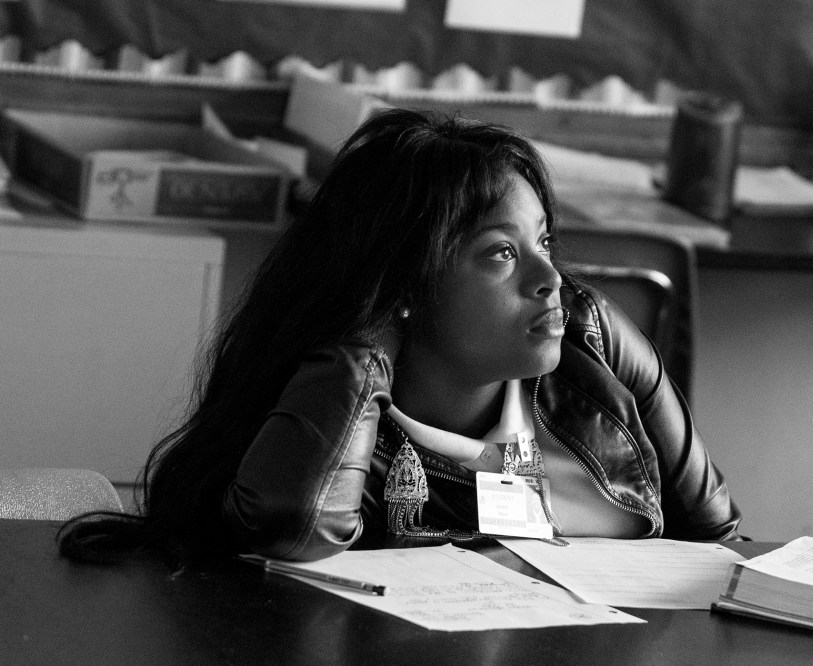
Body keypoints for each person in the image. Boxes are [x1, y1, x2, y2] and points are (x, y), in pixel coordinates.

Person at [59, 108, 741, 565]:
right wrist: (364, 349)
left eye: (545, 241)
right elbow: (295, 530)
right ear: (408, 286)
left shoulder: (594, 339)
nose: (549, 278)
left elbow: (716, 541)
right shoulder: (339, 405)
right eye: (501, 254)